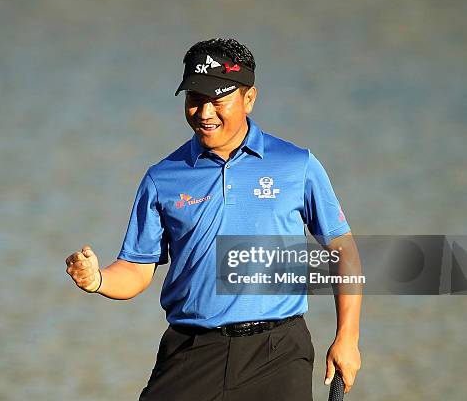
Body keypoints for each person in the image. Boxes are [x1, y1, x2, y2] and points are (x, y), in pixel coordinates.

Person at [65, 38, 362, 400]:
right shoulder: (162, 178)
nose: (204, 113)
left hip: (278, 352)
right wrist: (98, 279)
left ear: (248, 98)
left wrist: (347, 338)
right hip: (192, 351)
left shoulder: (297, 165)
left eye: (217, 101)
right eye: (194, 100)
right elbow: (137, 270)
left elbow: (342, 248)